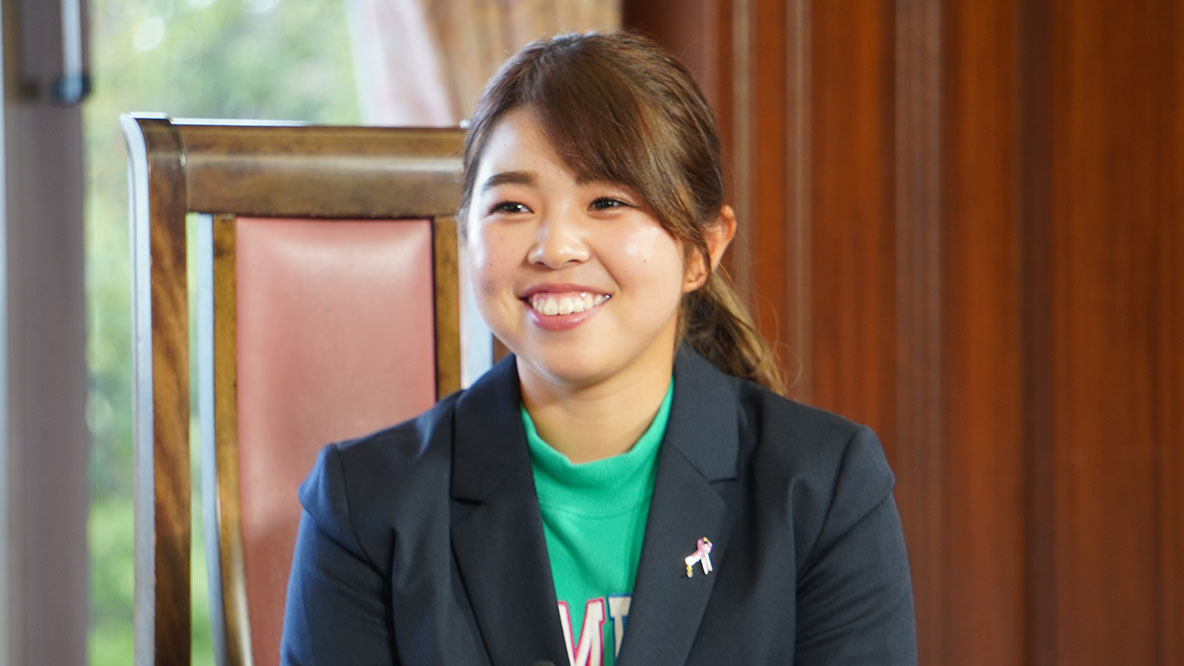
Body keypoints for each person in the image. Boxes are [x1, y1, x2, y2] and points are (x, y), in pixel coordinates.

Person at [281, 31, 916, 665]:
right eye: (512, 206)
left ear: (703, 249)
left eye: (607, 201)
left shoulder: (824, 489)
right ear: (466, 235)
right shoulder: (364, 506)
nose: (555, 247)